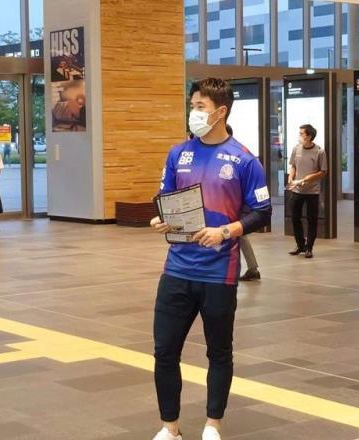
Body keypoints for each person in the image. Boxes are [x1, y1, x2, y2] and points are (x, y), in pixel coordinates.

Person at [150, 78, 271, 440]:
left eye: (199, 107)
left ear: (220, 111)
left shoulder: (245, 160)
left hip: (219, 273)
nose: (193, 113)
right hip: (177, 270)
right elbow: (165, 198)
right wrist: (161, 218)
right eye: (192, 106)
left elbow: (262, 212)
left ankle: (212, 424)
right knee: (164, 351)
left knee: (219, 351)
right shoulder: (179, 154)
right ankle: (170, 428)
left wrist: (226, 231)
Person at [223, 124, 261, 282]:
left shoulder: (239, 155)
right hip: (228, 204)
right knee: (238, 235)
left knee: (239, 234)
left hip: (238, 204)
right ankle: (252, 268)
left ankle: (252, 268)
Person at [288, 124, 327, 259]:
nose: (299, 136)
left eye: (301, 134)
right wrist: (291, 177)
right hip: (297, 190)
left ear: (309, 136)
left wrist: (306, 179)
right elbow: (293, 166)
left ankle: (309, 248)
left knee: (312, 220)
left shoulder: (319, 151)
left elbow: (323, 172)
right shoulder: (296, 148)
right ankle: (300, 245)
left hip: (312, 192)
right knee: (295, 218)